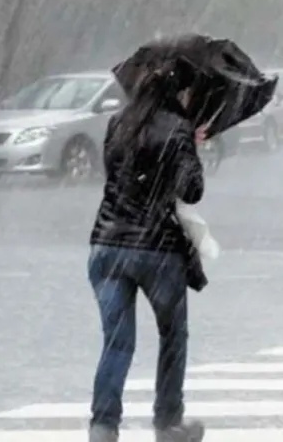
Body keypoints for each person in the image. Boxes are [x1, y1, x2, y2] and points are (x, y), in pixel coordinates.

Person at [87, 52, 208, 442]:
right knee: (173, 336)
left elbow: (117, 175)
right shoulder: (177, 129)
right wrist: (191, 146)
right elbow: (192, 190)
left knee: (117, 342)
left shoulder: (117, 123)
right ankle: (168, 423)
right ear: (176, 92)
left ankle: (103, 428)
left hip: (106, 245)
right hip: (157, 250)